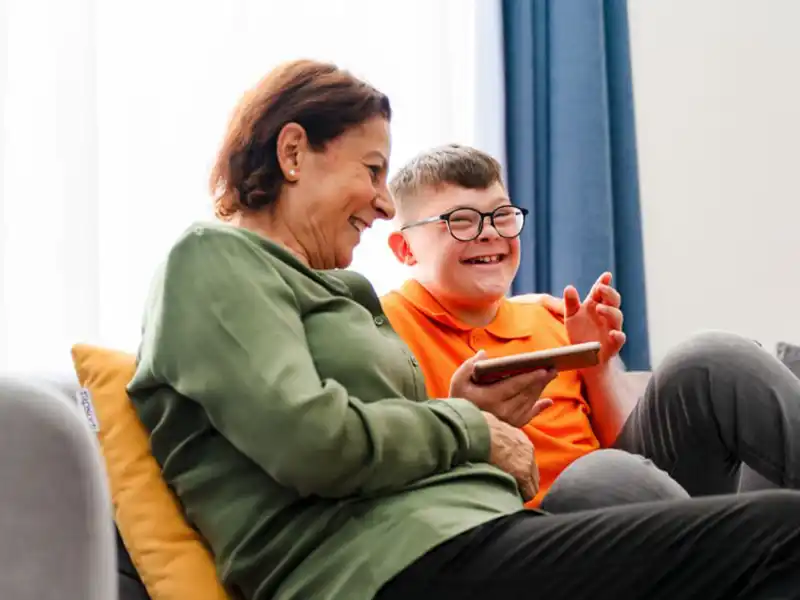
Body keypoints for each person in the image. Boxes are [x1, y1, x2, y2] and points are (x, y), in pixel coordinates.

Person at [128, 59, 800, 600]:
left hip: (468, 530)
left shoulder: (338, 292)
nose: (384, 201)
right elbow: (313, 442)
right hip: (388, 565)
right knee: (777, 529)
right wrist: (472, 427)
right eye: (371, 171)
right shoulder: (214, 259)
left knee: (702, 382)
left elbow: (399, 442)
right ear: (295, 152)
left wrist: (469, 415)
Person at [382, 143, 800, 510]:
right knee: (599, 474)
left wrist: (598, 364)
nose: (490, 234)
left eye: (502, 216)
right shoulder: (383, 330)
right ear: (405, 249)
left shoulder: (550, 317)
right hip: (532, 530)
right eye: (462, 221)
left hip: (637, 502)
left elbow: (628, 447)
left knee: (710, 357)